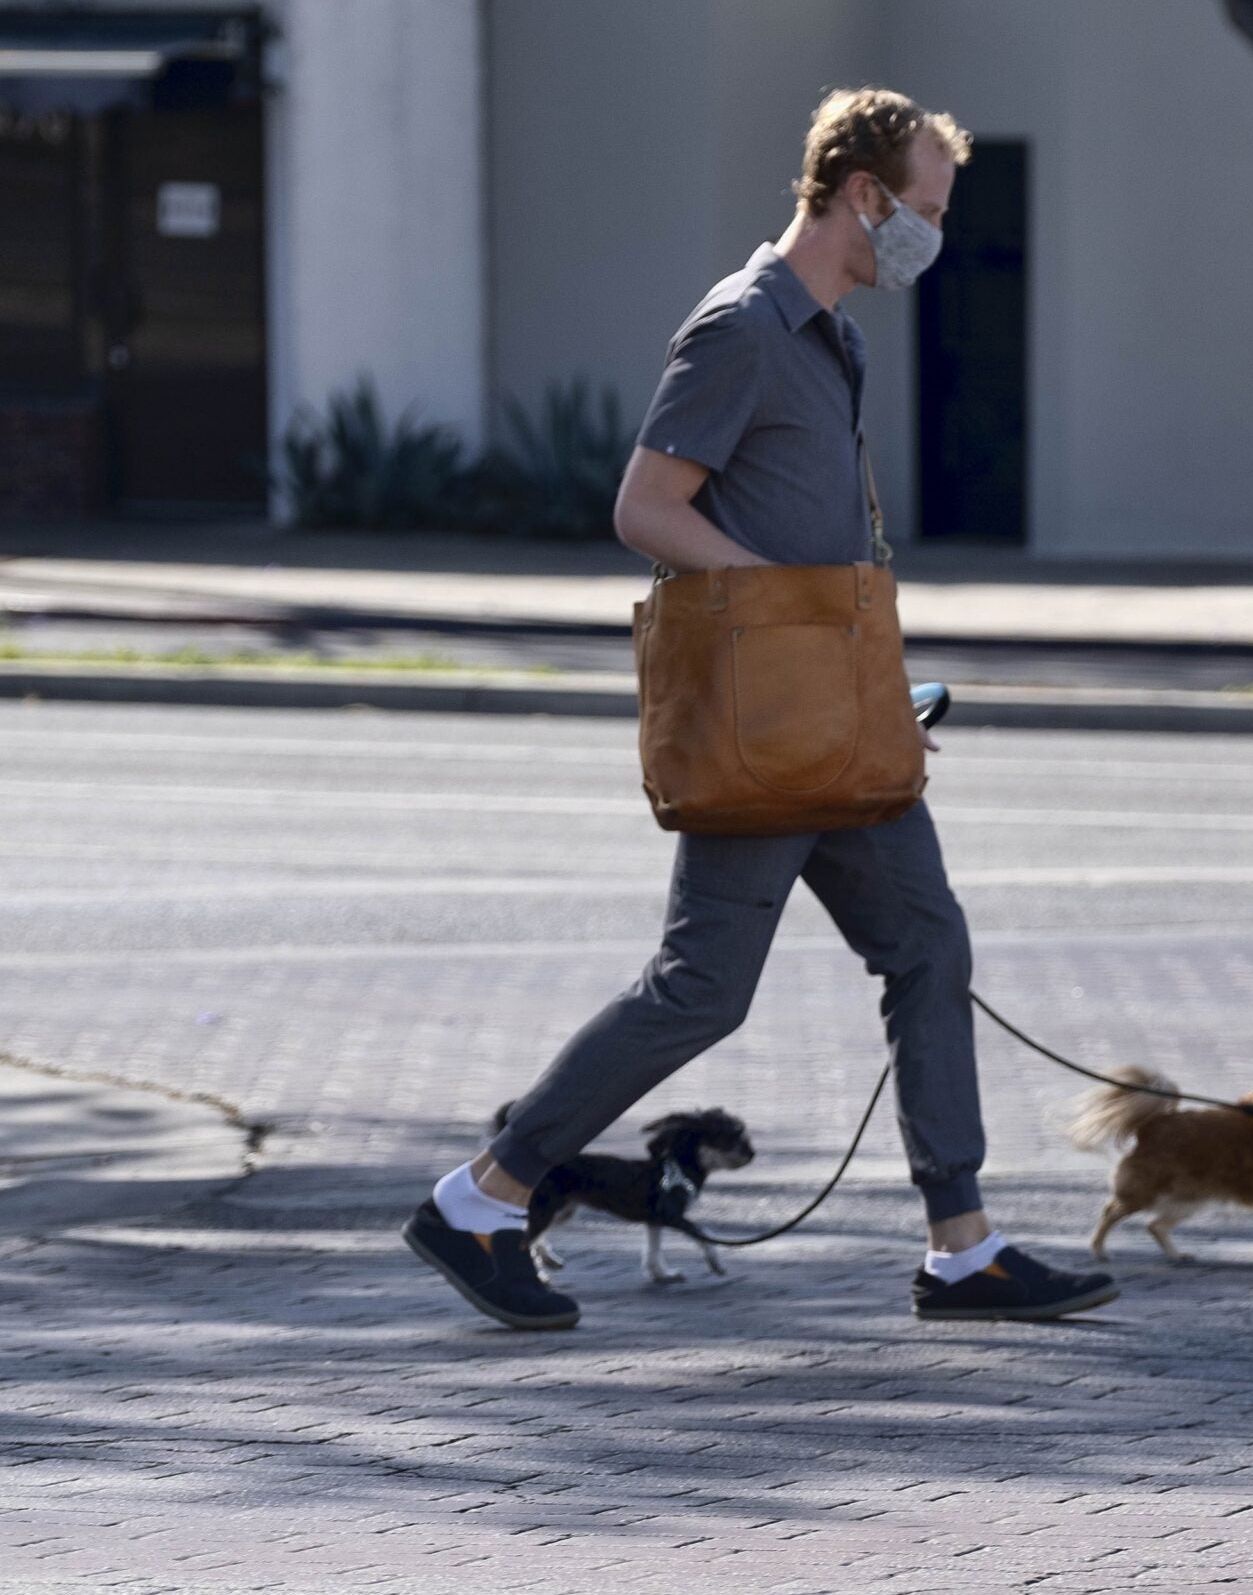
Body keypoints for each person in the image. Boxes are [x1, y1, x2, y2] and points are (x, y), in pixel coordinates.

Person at [403, 88, 1119, 1331]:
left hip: (836, 723)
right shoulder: (739, 328)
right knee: (700, 989)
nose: (932, 236)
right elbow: (645, 508)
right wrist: (787, 629)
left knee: (929, 946)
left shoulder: (835, 337)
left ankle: (963, 1246)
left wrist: (853, 669)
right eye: (927, 209)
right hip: (766, 723)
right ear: (862, 195)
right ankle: (483, 1195)